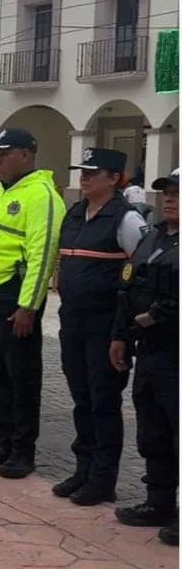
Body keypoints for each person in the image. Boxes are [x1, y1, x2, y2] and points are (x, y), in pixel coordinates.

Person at [0, 128, 65, 479]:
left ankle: (23, 450)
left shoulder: (41, 194)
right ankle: (3, 440)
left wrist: (29, 306)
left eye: (3, 154)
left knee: (21, 376)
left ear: (25, 155)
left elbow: (42, 255)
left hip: (15, 296)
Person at [54, 147, 148, 506]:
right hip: (72, 321)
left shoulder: (125, 219)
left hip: (105, 325)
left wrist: (123, 331)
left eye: (93, 173)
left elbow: (141, 273)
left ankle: (103, 478)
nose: (85, 178)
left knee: (103, 402)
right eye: (83, 172)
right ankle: (83, 467)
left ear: (114, 178)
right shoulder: (76, 213)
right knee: (81, 397)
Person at [113, 168, 179, 546]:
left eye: (176, 193)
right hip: (151, 351)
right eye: (166, 193)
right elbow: (129, 287)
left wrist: (158, 315)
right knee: (153, 430)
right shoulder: (152, 236)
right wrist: (121, 335)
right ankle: (159, 502)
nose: (169, 199)